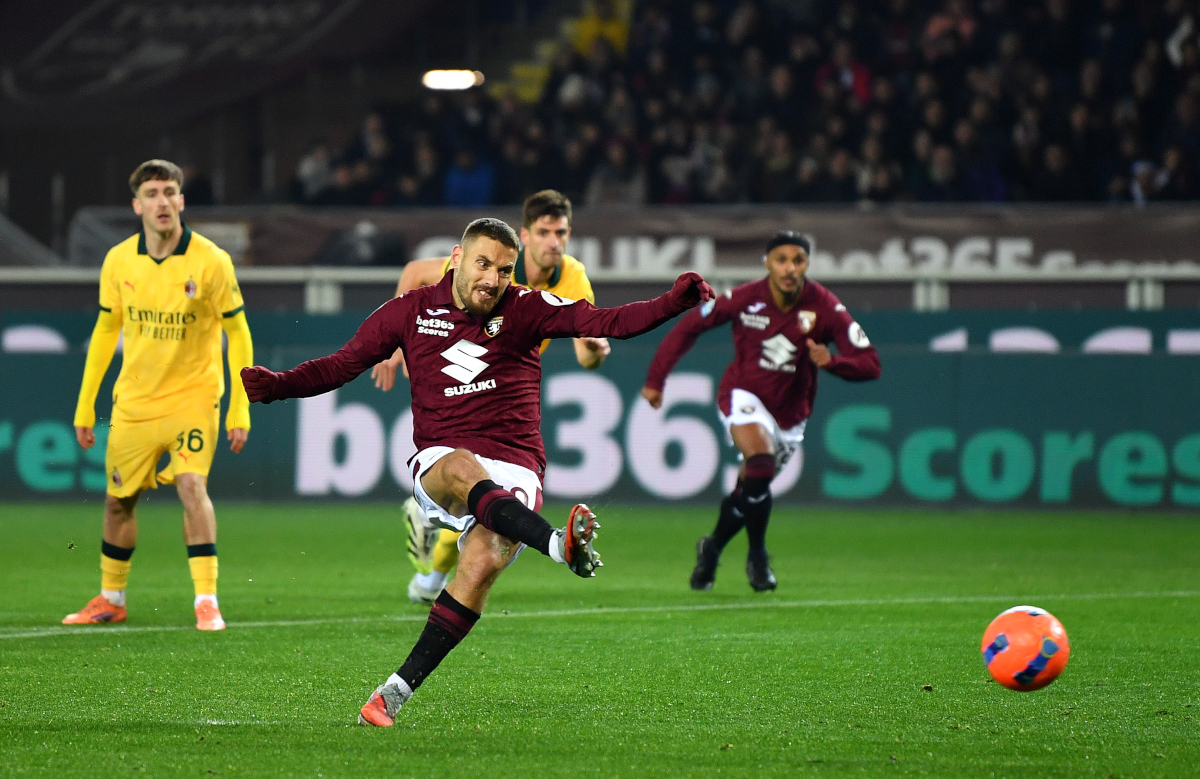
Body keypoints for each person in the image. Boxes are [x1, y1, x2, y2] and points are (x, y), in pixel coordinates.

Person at [240, 217, 712, 726]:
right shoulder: (408, 312)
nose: (493, 279)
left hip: (516, 461)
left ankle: (394, 693)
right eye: (483, 264)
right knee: (462, 467)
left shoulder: (528, 308)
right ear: (456, 258)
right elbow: (341, 364)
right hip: (442, 459)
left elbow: (609, 322)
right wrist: (278, 385)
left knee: (483, 561)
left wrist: (673, 302)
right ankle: (557, 545)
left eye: (505, 269)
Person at [370, 190, 610, 604]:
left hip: (507, 392)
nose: (554, 241)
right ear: (526, 235)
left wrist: (594, 349)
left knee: (489, 498)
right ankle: (434, 533)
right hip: (461, 378)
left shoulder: (575, 278)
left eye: (562, 233)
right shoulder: (493, 267)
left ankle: (431, 574)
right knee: (478, 489)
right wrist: (393, 346)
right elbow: (414, 273)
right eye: (545, 231)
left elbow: (586, 358)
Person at [65, 159, 254, 631]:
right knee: (117, 502)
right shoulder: (119, 261)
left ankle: (206, 601)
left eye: (169, 191)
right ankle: (111, 598)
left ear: (182, 201)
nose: (162, 201)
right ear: (137, 205)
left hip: (194, 396)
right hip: (134, 402)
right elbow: (106, 330)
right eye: (151, 194)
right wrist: (86, 402)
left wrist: (240, 403)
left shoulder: (211, 260)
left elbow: (239, 334)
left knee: (192, 486)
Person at [641, 231, 880, 592]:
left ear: (807, 264)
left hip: (791, 414)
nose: (789, 268)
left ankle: (712, 549)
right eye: (781, 259)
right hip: (742, 394)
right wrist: (657, 378)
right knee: (761, 460)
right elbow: (691, 325)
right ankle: (758, 556)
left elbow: (870, 364)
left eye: (797, 260)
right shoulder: (745, 298)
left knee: (750, 487)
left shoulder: (825, 307)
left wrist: (834, 362)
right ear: (767, 263)